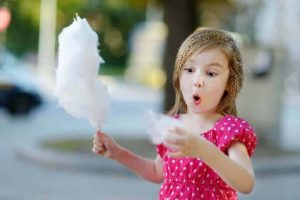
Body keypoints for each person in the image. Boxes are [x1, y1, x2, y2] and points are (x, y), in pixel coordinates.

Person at [92, 27, 257, 200]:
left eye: (211, 73)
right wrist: (118, 153)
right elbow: (157, 172)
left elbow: (246, 183)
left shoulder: (229, 130)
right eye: (190, 70)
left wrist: (203, 150)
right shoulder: (173, 126)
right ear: (179, 75)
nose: (197, 81)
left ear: (229, 84)